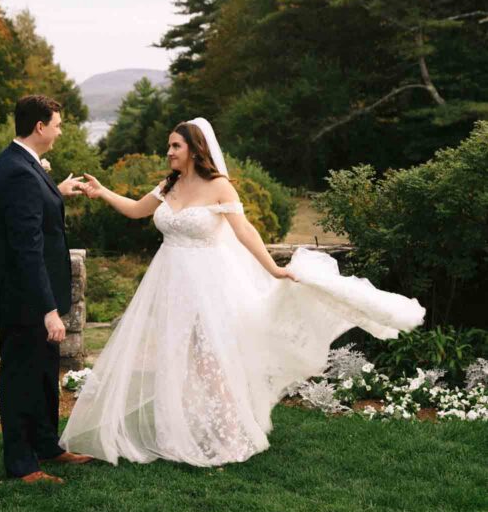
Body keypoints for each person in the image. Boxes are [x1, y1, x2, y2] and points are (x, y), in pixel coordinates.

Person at [61, 118, 425, 466]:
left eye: (175, 146)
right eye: (169, 146)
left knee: (211, 358)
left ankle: (229, 434)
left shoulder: (219, 186)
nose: (168, 152)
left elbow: (245, 230)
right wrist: (101, 192)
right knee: (178, 357)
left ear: (194, 149)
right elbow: (136, 210)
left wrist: (273, 268)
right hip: (169, 284)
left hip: (208, 284)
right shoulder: (168, 185)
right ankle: (180, 432)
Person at [0, 94, 93, 485]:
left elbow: (32, 208)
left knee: (45, 374)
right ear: (40, 127)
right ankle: (22, 465)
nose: (61, 132)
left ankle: (47, 445)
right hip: (23, 298)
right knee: (21, 380)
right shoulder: (17, 171)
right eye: (58, 125)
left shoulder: (25, 165)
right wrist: (48, 310)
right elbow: (26, 247)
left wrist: (55, 190)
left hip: (36, 293)